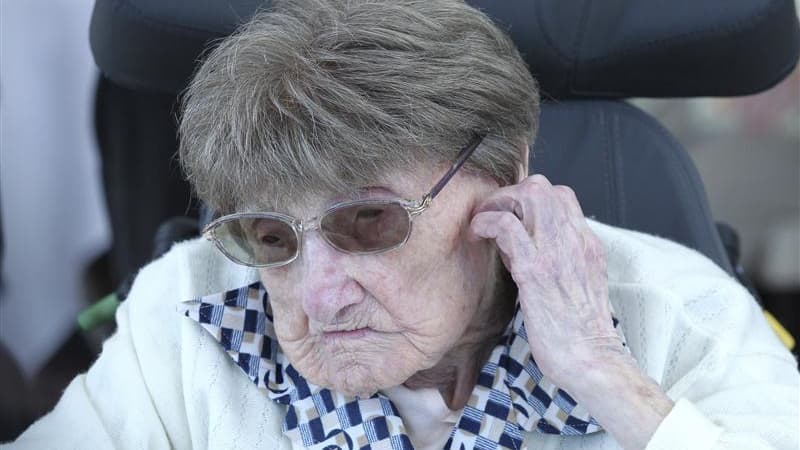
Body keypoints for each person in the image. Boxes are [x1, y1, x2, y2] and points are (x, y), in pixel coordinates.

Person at [6, 0, 799, 449]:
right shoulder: (185, 309)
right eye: (272, 237)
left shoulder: (675, 312)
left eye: (369, 221)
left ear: (503, 175)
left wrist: (603, 374)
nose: (318, 295)